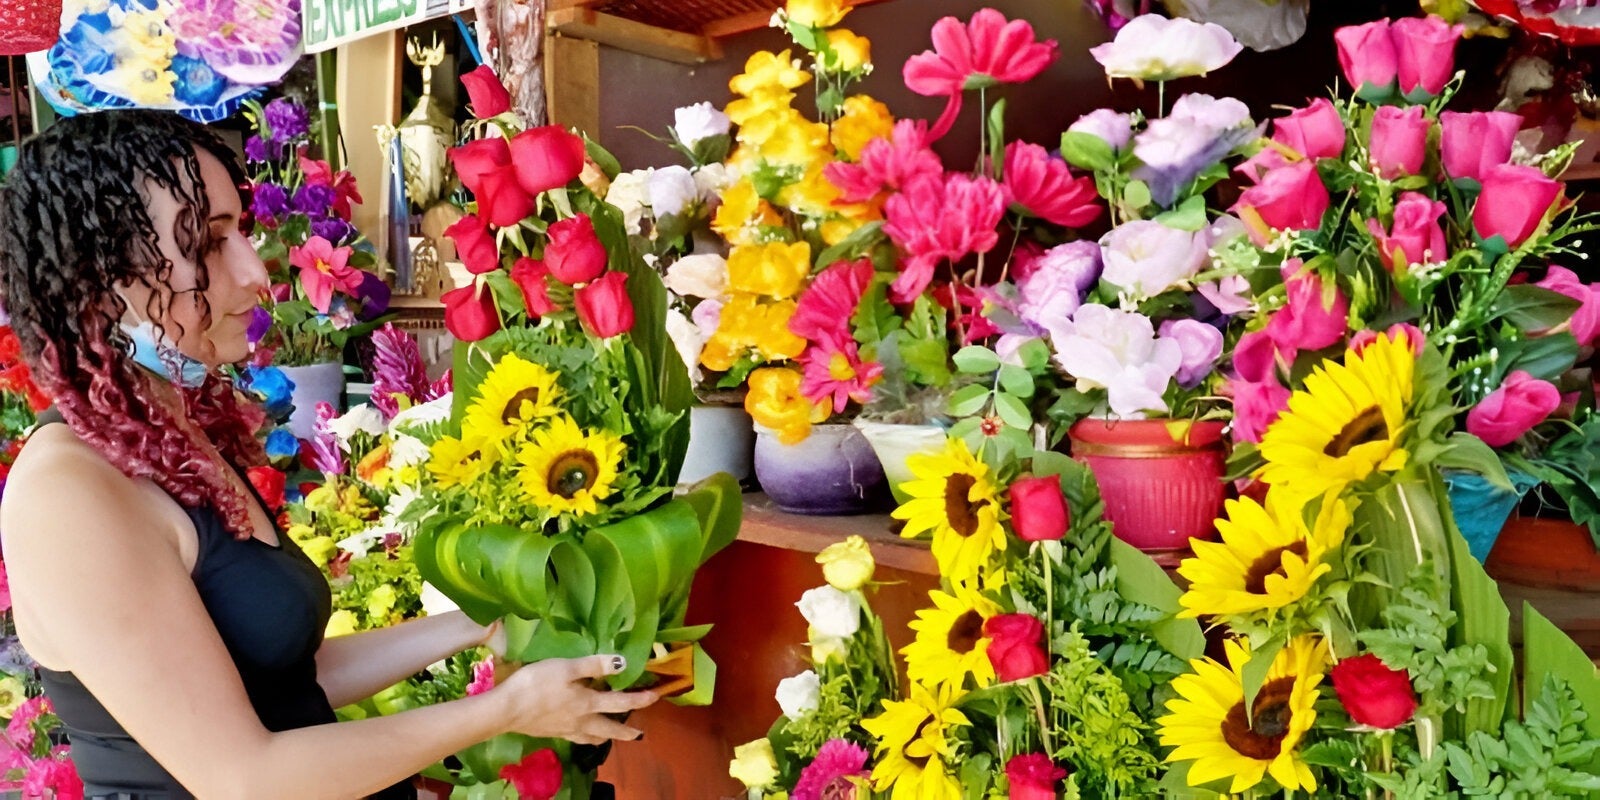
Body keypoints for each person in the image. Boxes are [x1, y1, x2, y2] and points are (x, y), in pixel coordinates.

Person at [0, 109, 657, 799]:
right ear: (97, 281)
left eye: (244, 233)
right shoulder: (69, 492)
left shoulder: (169, 439)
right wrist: (505, 710)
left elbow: (285, 680)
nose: (257, 272)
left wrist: (476, 624)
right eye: (211, 243)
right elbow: (242, 778)